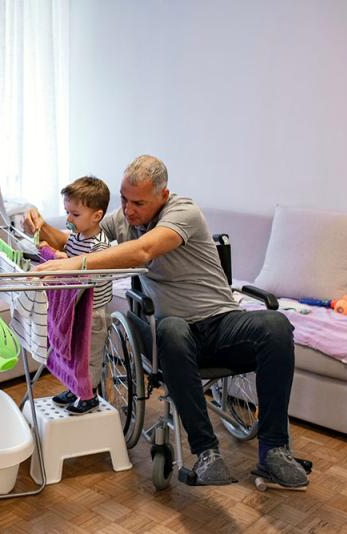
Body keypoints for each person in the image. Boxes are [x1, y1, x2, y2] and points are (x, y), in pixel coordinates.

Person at [24, 155, 308, 487]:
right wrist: (41, 227)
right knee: (171, 327)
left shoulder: (183, 212)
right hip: (173, 334)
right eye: (124, 199)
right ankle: (207, 454)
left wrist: (78, 265)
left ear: (163, 195)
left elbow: (144, 250)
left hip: (220, 324)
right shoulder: (125, 217)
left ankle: (274, 451)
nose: (128, 210)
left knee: (276, 325)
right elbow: (80, 242)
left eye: (138, 203)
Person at [43, 176, 113, 415]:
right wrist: (57, 255)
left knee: (88, 356)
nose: (68, 219)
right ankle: (75, 387)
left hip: (93, 310)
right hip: (75, 306)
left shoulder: (100, 247)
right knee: (73, 351)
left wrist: (68, 264)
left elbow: (87, 272)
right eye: (67, 212)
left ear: (96, 216)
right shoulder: (76, 236)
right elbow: (71, 260)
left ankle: (89, 394)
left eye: (75, 214)